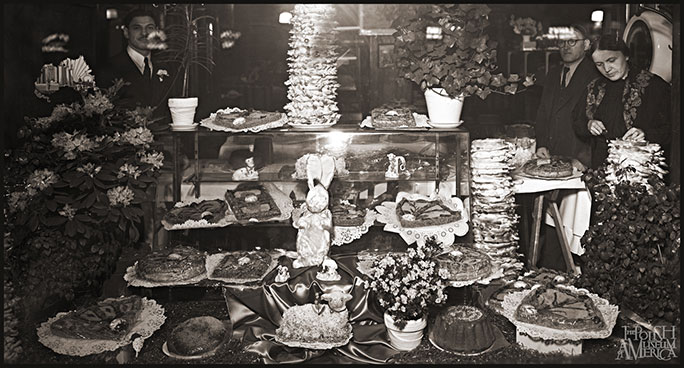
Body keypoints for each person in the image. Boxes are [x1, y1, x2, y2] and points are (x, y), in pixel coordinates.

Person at [572, 34, 671, 169]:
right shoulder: (594, 87)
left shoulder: (654, 86)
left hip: (641, 170)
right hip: (601, 167)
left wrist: (645, 134)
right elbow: (577, 120)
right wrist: (588, 124)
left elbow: (672, 129)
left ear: (626, 55)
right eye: (599, 64)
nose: (607, 69)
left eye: (611, 60)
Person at [535, 24, 599, 170]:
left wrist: (585, 160)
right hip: (552, 156)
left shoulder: (596, 74)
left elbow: (600, 122)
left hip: (581, 161)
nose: (566, 46)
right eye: (562, 42)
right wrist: (542, 144)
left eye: (572, 41)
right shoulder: (553, 74)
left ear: (587, 44)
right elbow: (543, 113)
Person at [97, 8, 173, 116]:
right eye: (137, 28)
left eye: (150, 28)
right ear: (126, 33)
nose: (144, 33)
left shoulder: (167, 66)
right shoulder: (109, 69)